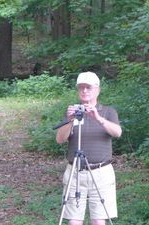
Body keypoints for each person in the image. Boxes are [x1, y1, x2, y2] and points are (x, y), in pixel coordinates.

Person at [56, 71, 122, 225]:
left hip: (101, 172)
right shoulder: (73, 112)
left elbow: (117, 132)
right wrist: (70, 120)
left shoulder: (108, 111)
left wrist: (98, 118)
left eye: (88, 87)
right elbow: (60, 139)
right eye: (81, 87)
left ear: (97, 90)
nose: (84, 91)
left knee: (99, 220)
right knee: (73, 221)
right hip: (75, 172)